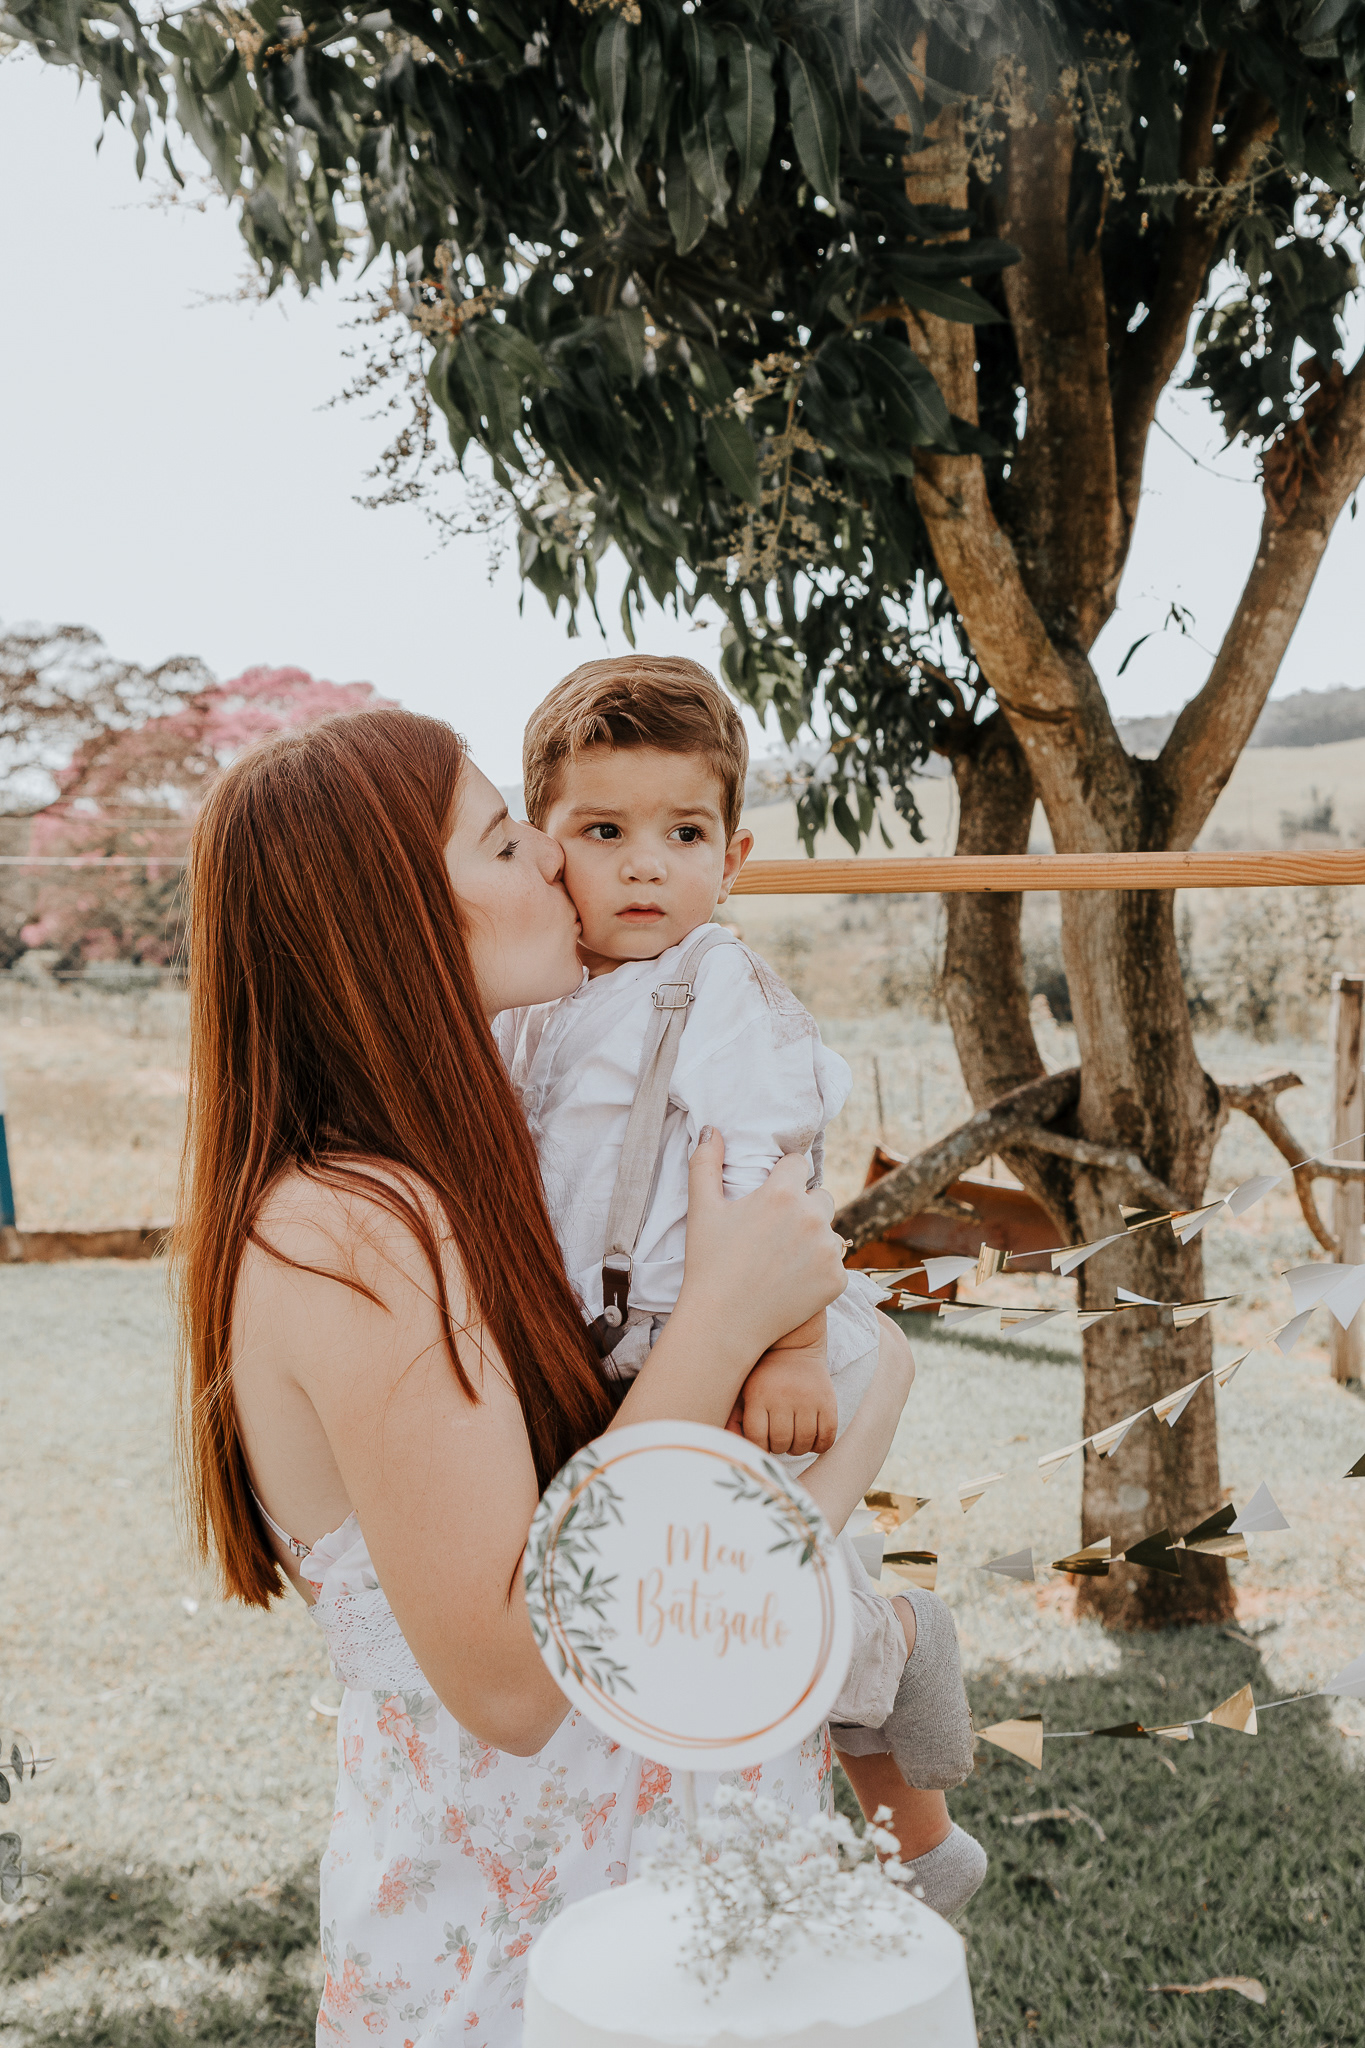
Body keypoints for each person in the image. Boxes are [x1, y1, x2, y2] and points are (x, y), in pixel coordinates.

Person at [175, 707, 909, 2048]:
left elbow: (722, 1547)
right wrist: (724, 1320)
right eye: (506, 840)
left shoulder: (477, 1171)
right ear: (400, 918)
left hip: (684, 1897)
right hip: (530, 1959)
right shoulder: (350, 1228)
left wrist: (833, 1353)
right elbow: (515, 1682)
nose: (556, 862)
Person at [497, 657, 985, 1915]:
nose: (645, 866)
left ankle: (903, 1698)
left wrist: (793, 1347)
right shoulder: (535, 998)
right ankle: (904, 1790)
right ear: (544, 846)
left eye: (684, 834)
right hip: (631, 1349)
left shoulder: (715, 985)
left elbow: (780, 1168)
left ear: (734, 856)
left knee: (730, 1584)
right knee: (695, 1577)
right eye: (603, 832)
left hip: (753, 1332)